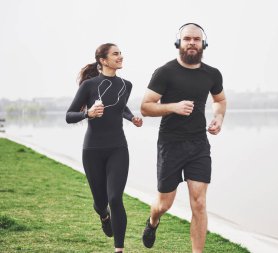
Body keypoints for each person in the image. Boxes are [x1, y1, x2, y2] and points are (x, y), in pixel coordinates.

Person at [140, 23, 226, 252]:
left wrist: (218, 118)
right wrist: (173, 107)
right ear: (179, 43)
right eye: (187, 38)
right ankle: (152, 221)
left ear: (203, 44)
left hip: (199, 144)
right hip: (171, 143)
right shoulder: (165, 72)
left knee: (199, 203)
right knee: (164, 204)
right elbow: (146, 107)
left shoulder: (212, 74)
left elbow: (220, 100)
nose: (192, 43)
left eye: (196, 39)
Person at [66, 43, 143, 253]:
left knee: (115, 197)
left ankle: (119, 249)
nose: (121, 57)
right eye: (115, 54)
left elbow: (121, 107)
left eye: (121, 53)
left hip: (118, 148)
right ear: (103, 60)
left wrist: (132, 117)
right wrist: (88, 114)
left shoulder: (127, 85)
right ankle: (103, 214)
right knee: (101, 202)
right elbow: (69, 115)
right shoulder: (89, 86)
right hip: (92, 150)